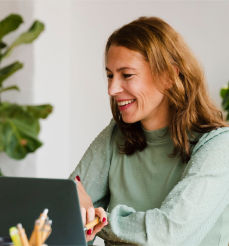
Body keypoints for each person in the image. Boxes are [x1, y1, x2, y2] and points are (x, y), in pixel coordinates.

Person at [70, 16, 229, 245]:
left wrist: (98, 222)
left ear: (168, 76)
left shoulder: (219, 146)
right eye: (109, 75)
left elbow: (167, 234)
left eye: (126, 75)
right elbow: (68, 211)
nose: (112, 89)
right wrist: (76, 212)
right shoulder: (116, 136)